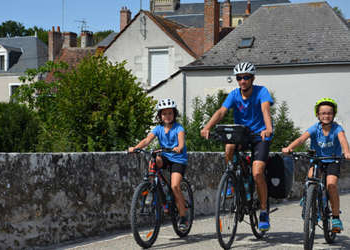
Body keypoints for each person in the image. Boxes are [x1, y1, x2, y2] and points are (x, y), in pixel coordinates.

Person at [200, 62, 274, 231]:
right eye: (239, 78)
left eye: (246, 77)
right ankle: (232, 180)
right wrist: (207, 127)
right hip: (242, 134)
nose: (242, 81)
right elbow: (221, 112)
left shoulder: (261, 92)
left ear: (252, 78)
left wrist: (268, 128)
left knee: (257, 173)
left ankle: (263, 212)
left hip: (259, 135)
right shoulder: (234, 95)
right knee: (228, 147)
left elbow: (265, 110)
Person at [282, 98, 350, 232]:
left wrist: (347, 152)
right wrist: (289, 148)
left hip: (333, 160)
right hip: (317, 160)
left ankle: (335, 218)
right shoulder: (315, 128)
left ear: (334, 114)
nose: (326, 116)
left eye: (329, 113)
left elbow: (343, 140)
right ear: (318, 115)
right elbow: (301, 139)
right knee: (310, 179)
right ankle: (309, 202)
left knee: (331, 185)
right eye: (323, 113)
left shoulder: (337, 128)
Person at [128, 98, 189, 231]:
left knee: (175, 186)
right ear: (160, 116)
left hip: (178, 159)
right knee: (154, 160)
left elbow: (181, 142)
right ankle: (152, 187)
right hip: (165, 156)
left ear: (174, 114)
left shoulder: (179, 128)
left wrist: (179, 147)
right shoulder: (158, 129)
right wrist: (135, 148)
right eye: (164, 114)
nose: (167, 116)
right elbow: (147, 140)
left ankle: (183, 217)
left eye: (170, 113)